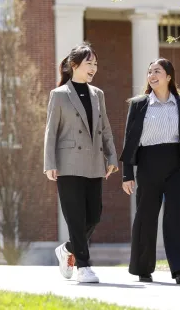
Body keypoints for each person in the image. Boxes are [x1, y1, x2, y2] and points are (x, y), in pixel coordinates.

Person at [120, 58, 180, 284]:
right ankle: (143, 268)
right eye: (149, 72)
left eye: (157, 71)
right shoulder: (138, 104)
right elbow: (129, 140)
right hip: (148, 164)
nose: (152, 75)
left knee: (175, 217)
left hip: (177, 166)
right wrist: (127, 174)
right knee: (146, 217)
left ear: (168, 76)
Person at [44, 42, 119, 284]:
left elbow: (105, 128)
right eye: (89, 63)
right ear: (74, 65)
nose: (94, 68)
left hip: (94, 162)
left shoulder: (98, 94)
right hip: (68, 163)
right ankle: (84, 266)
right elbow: (50, 132)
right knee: (75, 216)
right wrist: (49, 163)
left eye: (95, 64)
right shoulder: (59, 95)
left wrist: (112, 156)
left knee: (94, 215)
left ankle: (67, 248)